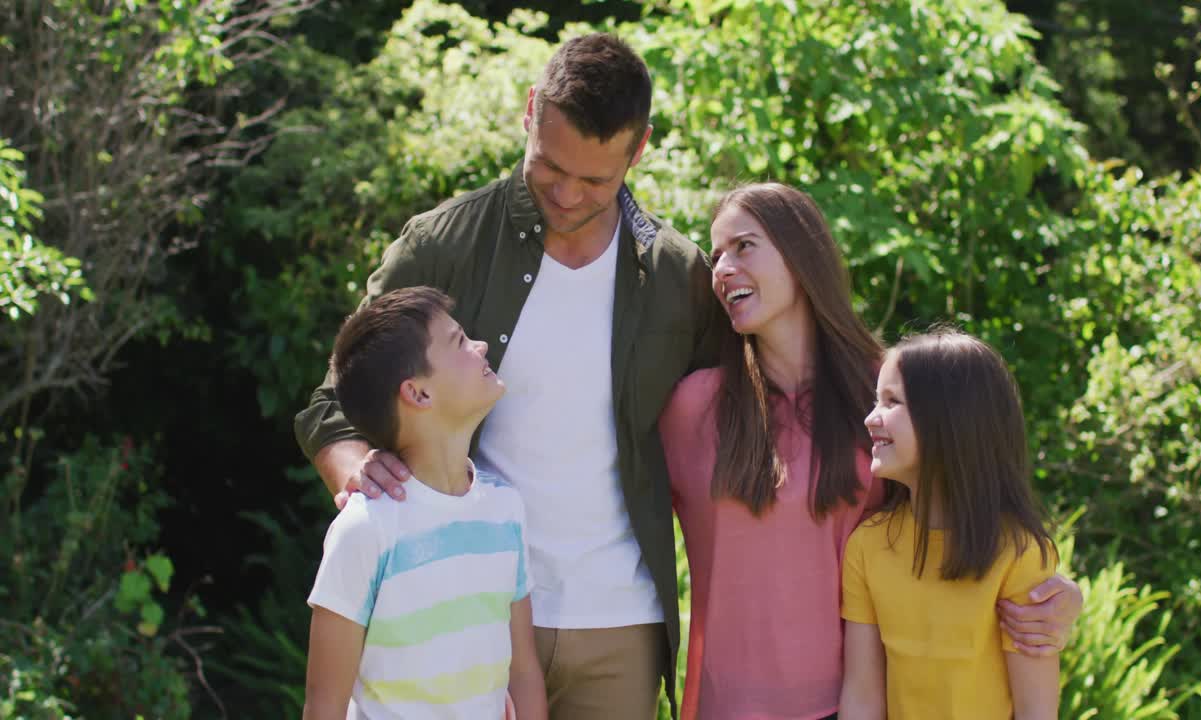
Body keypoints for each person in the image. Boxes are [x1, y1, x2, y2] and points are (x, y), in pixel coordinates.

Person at [294, 34, 723, 719]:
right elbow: (335, 397)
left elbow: (748, 408)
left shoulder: (677, 274)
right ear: (530, 110)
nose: (566, 194)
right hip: (462, 617)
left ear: (638, 150)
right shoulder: (444, 243)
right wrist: (356, 474)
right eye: (550, 166)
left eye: (595, 182)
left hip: (619, 621)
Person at [659, 184, 1079, 720]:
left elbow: (976, 500)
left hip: (866, 703)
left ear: (802, 252)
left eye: (743, 247)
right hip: (725, 706)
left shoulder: (891, 396)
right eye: (715, 255)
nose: (722, 268)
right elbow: (616, 518)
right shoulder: (692, 408)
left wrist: (1059, 593)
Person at [303, 286, 545, 720]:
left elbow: (523, 671)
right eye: (458, 341)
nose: (481, 345)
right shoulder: (365, 529)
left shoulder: (505, 509)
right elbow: (324, 705)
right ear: (418, 394)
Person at [839, 328, 1060, 719]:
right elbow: (862, 698)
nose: (870, 417)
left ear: (948, 420)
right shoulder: (866, 548)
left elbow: (1036, 711)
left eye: (891, 402)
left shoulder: (1019, 554)